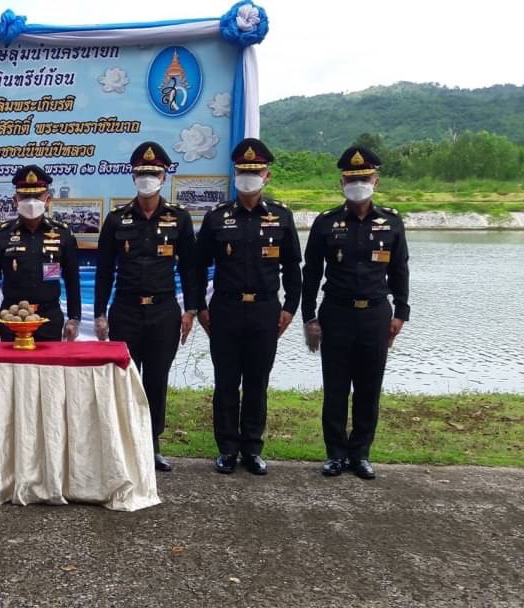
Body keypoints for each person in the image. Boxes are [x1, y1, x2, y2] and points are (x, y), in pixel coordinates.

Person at [193, 138, 302, 475]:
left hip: (265, 310)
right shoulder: (217, 217)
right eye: (243, 171)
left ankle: (252, 448)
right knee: (226, 382)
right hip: (225, 309)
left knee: (257, 382)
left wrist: (290, 308)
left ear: (267, 175)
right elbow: (197, 266)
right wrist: (199, 307)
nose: (249, 177)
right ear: (235, 174)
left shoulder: (281, 216)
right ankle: (227, 449)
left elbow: (293, 268)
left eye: (255, 171)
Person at [302, 146, 410, 480]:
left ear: (376, 181)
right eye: (351, 179)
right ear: (342, 183)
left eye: (364, 178)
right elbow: (311, 273)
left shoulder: (391, 222)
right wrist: (309, 317)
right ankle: (335, 454)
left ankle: (360, 453)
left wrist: (401, 313)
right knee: (335, 388)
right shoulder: (326, 223)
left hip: (376, 314)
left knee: (368, 388)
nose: (357, 184)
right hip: (336, 313)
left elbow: (400, 270)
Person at [94, 141, 198, 472]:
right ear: (133, 177)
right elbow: (104, 270)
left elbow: (190, 268)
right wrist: (99, 313)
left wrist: (191, 310)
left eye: (153, 173)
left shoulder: (179, 218)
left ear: (163, 177)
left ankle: (151, 446)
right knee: (125, 380)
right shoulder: (116, 219)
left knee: (156, 380)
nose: (147, 178)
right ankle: (123, 448)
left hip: (164, 311)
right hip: (125, 310)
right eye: (141, 173)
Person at [0, 165, 81, 342]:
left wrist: (74, 317)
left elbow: (72, 278)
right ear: (15, 200)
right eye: (25, 197)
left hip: (49, 317)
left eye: (37, 196)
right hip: (12, 317)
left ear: (47, 199)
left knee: (51, 361)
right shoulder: (2, 235)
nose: (31, 202)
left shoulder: (63, 234)